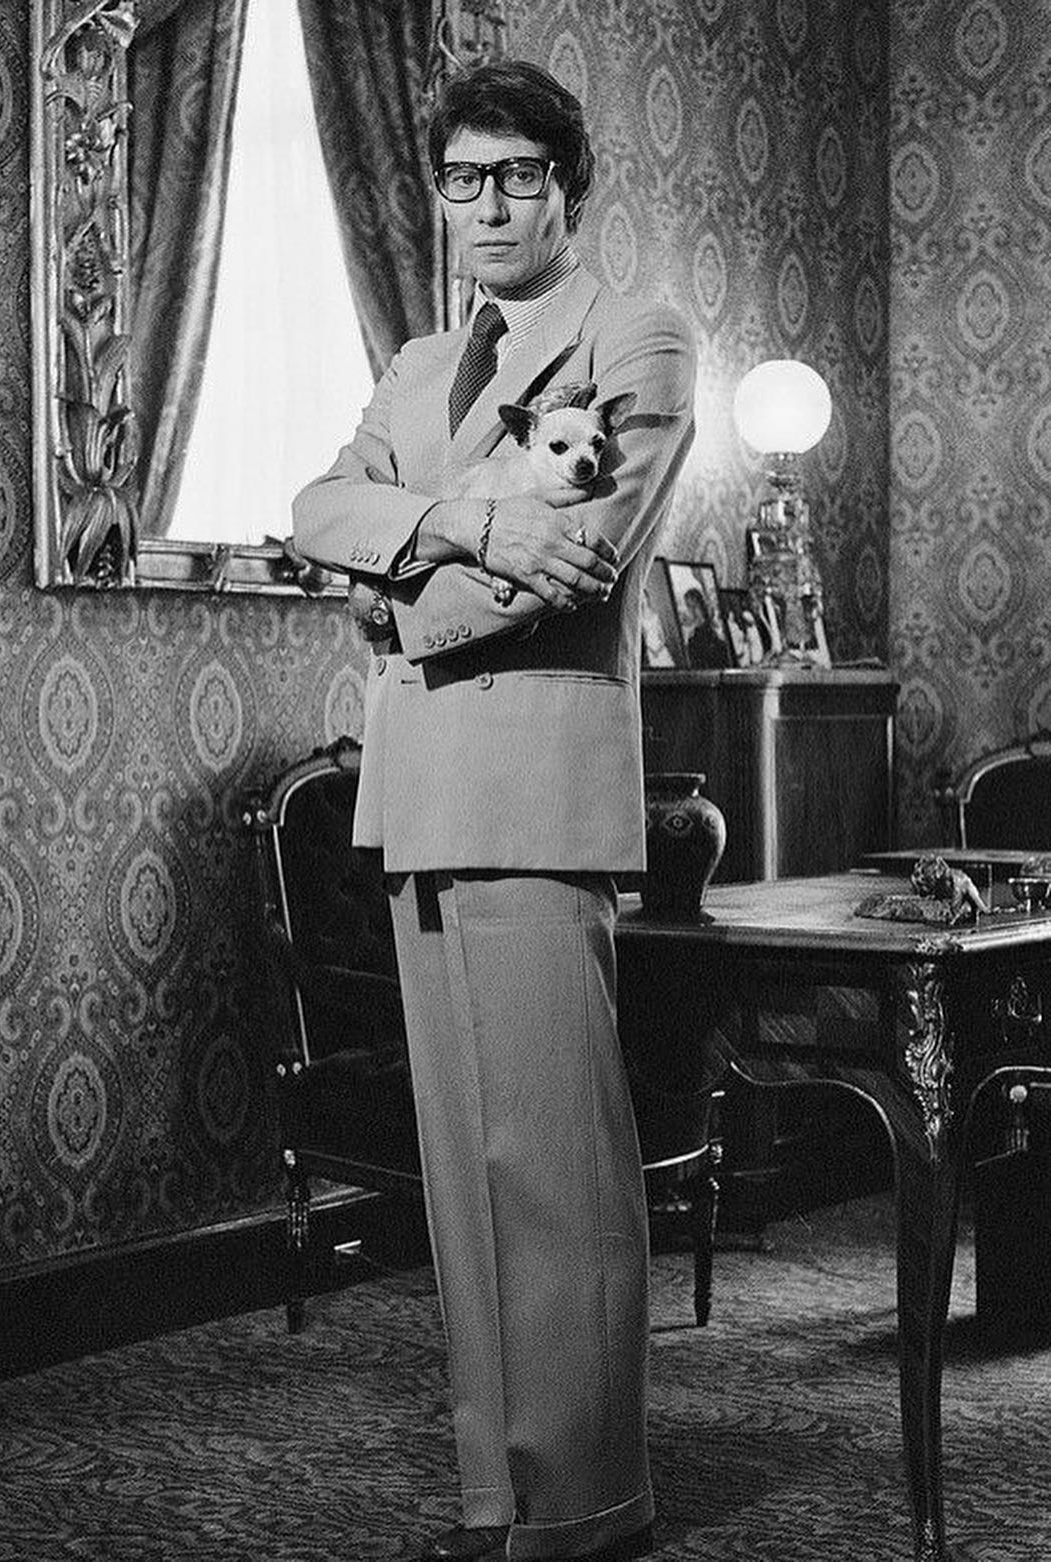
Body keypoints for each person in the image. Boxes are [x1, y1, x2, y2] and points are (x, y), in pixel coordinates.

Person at [293, 59, 696, 1562]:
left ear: (567, 190)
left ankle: (587, 1500)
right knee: (465, 1174)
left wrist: (393, 602)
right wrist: (466, 520)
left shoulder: (637, 335)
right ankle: (497, 1495)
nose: (486, 205)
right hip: (416, 792)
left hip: (535, 789)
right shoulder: (416, 365)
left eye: (518, 176)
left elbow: (580, 558)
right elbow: (318, 511)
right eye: (462, 179)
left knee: (555, 1164)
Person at [679, 585, 728, 669]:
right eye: (689, 606)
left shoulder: (696, 637)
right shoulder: (693, 636)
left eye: (694, 605)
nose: (691, 610)